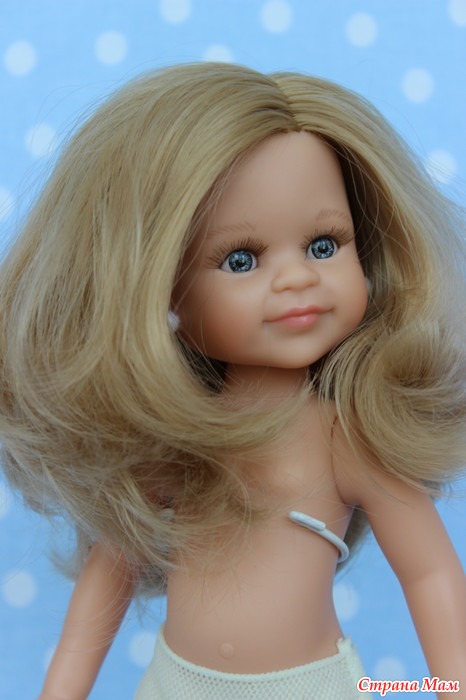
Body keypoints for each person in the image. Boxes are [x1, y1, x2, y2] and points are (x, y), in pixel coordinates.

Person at [0, 62, 464, 700]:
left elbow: (431, 576)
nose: (296, 279)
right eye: (240, 260)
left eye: (324, 245)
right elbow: (107, 577)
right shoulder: (177, 442)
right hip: (174, 684)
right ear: (160, 291)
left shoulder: (346, 439)